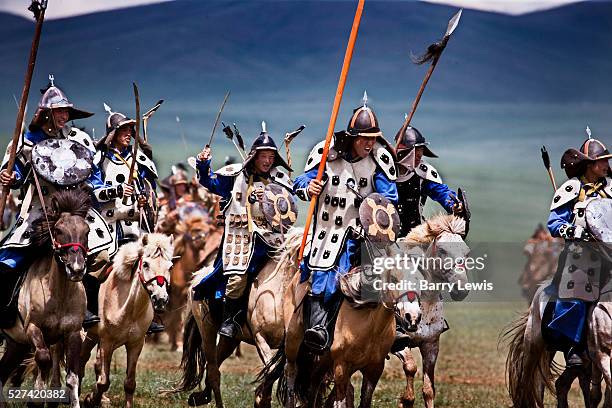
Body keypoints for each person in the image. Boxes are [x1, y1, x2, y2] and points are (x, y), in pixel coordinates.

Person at [0, 77, 108, 328]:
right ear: (46, 113)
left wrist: (98, 190)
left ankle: (88, 309)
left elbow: (93, 174)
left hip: (76, 213)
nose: (63, 115)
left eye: (65, 111)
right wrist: (11, 175)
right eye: (58, 111)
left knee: (101, 256)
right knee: (7, 261)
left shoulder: (79, 139)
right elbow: (14, 170)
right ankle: (7, 313)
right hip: (40, 211)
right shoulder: (27, 142)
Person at [293, 97, 398, 352]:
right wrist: (310, 186)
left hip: (362, 236)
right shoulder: (326, 153)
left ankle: (395, 332)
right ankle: (317, 329)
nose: (369, 143)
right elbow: (300, 181)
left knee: (395, 276)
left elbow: (389, 199)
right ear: (352, 137)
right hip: (327, 233)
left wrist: (372, 203)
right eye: (364, 138)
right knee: (326, 276)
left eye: (373, 138)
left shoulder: (379, 160)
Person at [192, 123, 294, 338]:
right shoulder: (235, 176)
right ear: (254, 156)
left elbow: (288, 207)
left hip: (273, 241)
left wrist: (269, 199)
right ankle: (231, 320)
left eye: (270, 156)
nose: (267, 161)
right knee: (237, 279)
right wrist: (203, 164)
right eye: (263, 156)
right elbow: (208, 182)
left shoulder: (280, 179)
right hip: (242, 240)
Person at [91, 104, 162, 332]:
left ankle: (147, 316)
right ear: (113, 134)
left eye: (131, 130)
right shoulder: (100, 159)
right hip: (107, 226)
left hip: (133, 227)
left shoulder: (136, 160)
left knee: (151, 264)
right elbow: (93, 190)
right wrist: (117, 191)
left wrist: (142, 199)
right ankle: (90, 309)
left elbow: (145, 189)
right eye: (124, 130)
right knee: (95, 264)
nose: (129, 134)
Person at [546, 135, 612, 367]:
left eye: (607, 160)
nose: (606, 165)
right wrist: (574, 231)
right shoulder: (572, 189)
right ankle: (573, 344)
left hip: (610, 254)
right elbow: (554, 224)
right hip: (581, 256)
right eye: (601, 161)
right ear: (589, 164)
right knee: (576, 294)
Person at [394, 125, 463, 237]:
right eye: (415, 150)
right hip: (386, 235)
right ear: (403, 152)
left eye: (421, 150)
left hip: (416, 234)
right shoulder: (385, 171)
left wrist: (453, 204)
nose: (419, 155)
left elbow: (442, 192)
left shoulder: (423, 173)